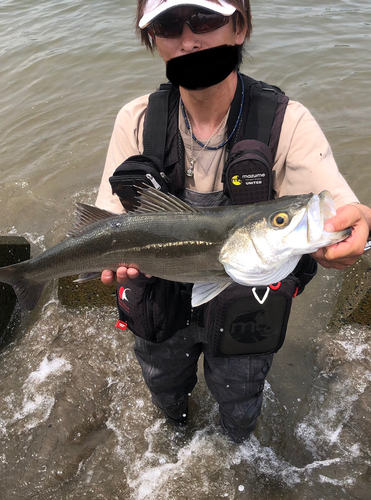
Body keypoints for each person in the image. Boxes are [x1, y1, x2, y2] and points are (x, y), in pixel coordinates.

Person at [95, 0, 371, 443]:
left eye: (205, 20)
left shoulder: (287, 121)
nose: (188, 40)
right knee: (165, 391)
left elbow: (337, 207)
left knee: (240, 404)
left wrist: (359, 220)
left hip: (247, 305)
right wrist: (111, 260)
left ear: (239, 27)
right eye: (168, 26)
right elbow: (110, 218)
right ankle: (176, 434)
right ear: (153, 41)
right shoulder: (137, 119)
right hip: (159, 296)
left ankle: (232, 452)